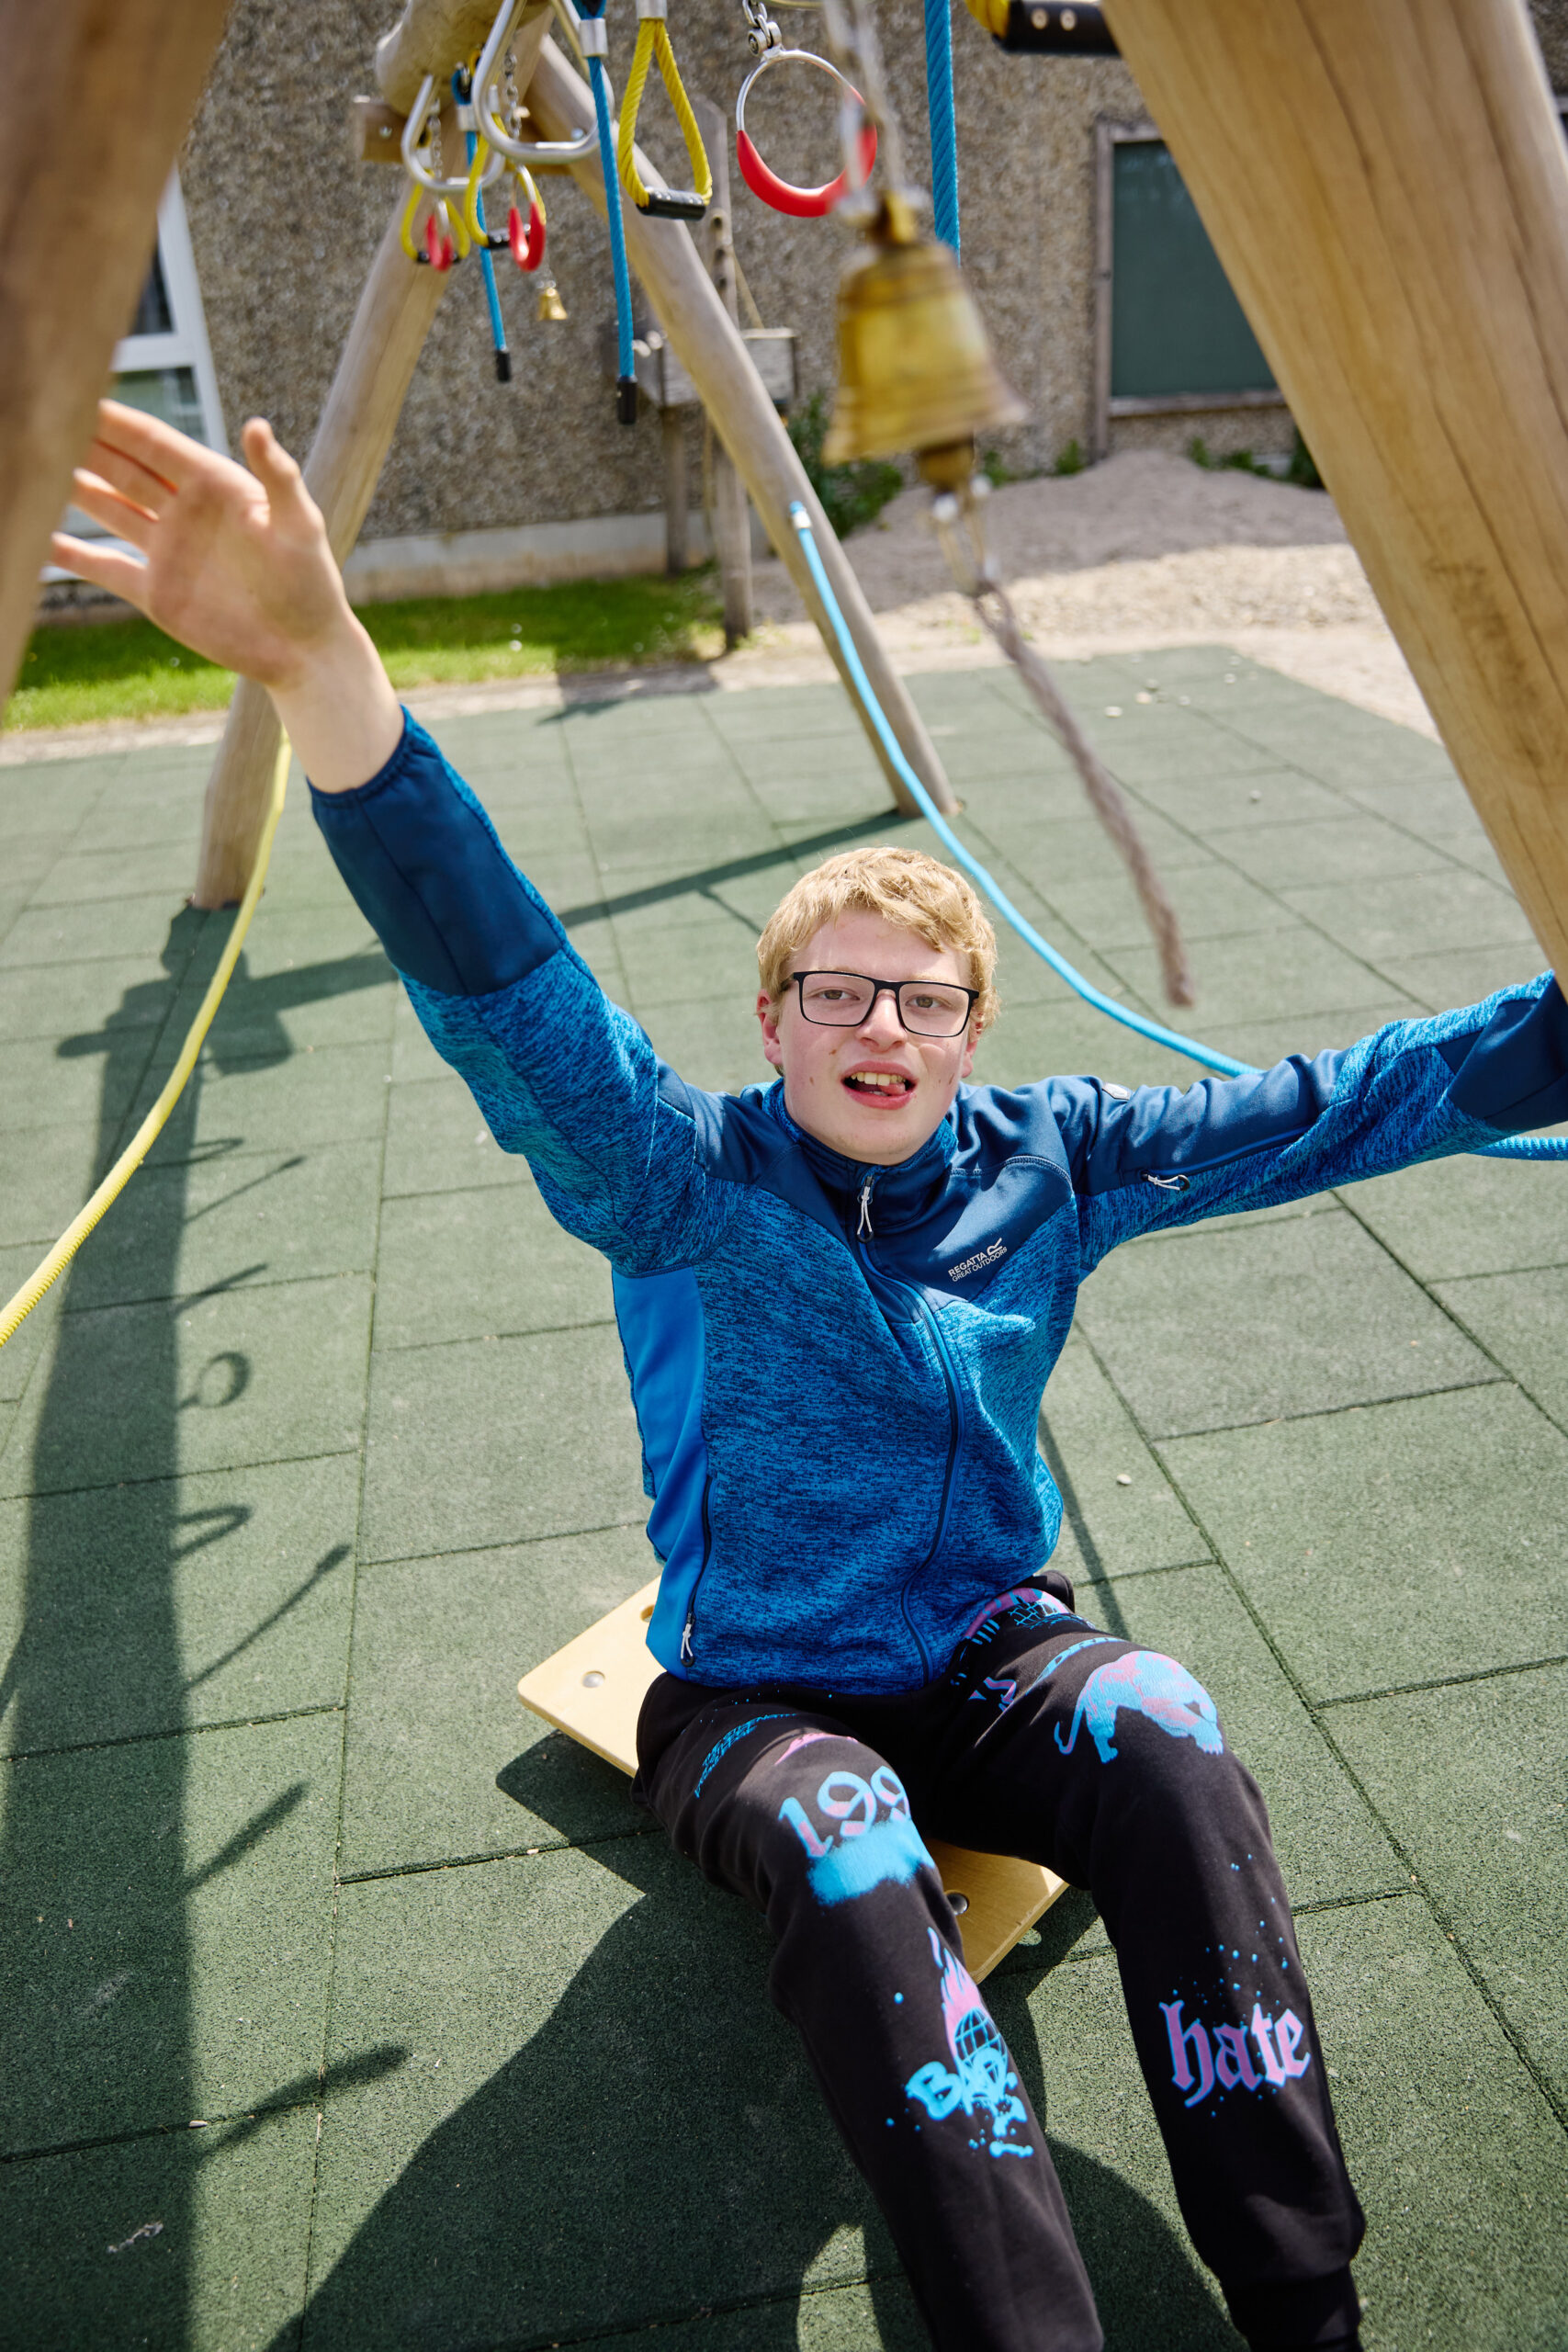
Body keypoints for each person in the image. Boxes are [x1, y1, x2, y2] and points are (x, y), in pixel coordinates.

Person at [55, 402, 1568, 2352]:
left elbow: (1345, 1104)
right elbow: (513, 994)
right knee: (851, 1845)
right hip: (756, 1696)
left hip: (983, 1656)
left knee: (1173, 1723)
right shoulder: (680, 1181)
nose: (876, 1020)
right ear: (771, 1022)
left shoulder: (1059, 1156)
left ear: (967, 1034)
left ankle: (1304, 2297)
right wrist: (332, 679)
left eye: (917, 996)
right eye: (830, 991)